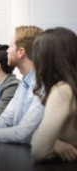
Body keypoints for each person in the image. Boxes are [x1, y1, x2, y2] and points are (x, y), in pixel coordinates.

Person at [30, 28, 77, 162]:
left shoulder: (62, 91)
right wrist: (54, 142)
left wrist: (53, 143)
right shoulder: (71, 87)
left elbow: (38, 151)